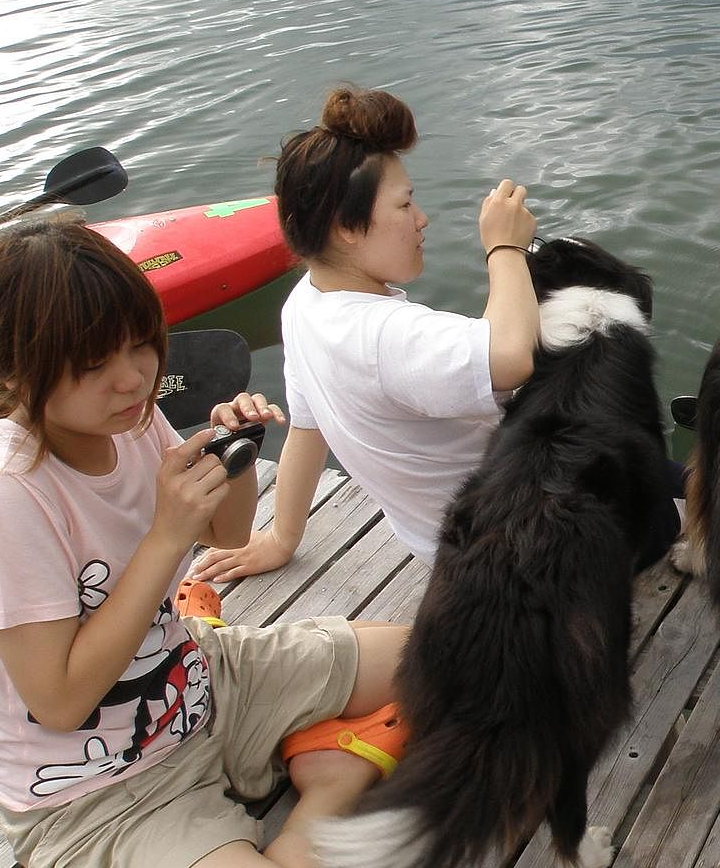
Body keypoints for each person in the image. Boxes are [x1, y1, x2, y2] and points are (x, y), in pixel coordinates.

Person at [0, 218, 406, 868]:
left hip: (196, 681)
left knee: (442, 658)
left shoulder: (125, 413)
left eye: (141, 343)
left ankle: (285, 751)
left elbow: (224, 532)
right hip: (96, 792)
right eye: (96, 362)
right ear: (24, 370)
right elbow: (57, 702)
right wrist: (163, 536)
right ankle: (334, 779)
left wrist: (232, 462)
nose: (133, 377)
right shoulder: (1, 494)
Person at [190, 87, 540, 582]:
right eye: (404, 204)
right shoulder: (385, 335)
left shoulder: (305, 306)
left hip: (443, 545)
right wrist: (505, 248)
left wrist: (281, 537)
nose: (422, 219)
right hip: (520, 547)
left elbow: (308, 429)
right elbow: (512, 356)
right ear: (346, 228)